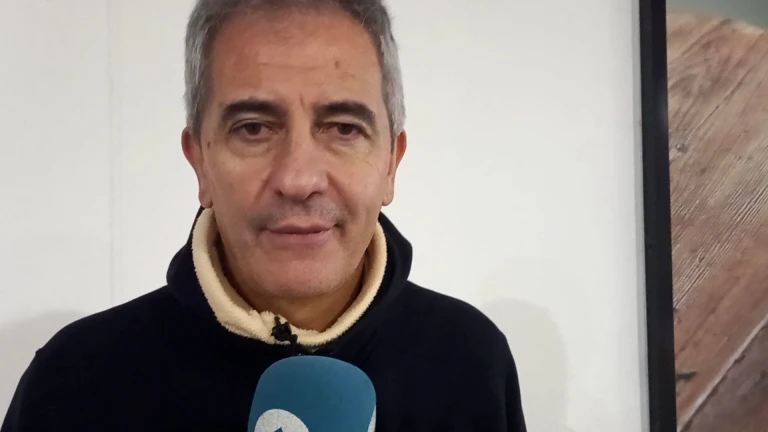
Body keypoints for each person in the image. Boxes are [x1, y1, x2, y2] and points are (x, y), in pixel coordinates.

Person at [1, 0, 527, 430]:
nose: (298, 178)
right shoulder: (74, 383)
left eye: (343, 128)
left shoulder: (471, 361)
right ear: (200, 162)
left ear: (391, 163)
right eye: (253, 128)